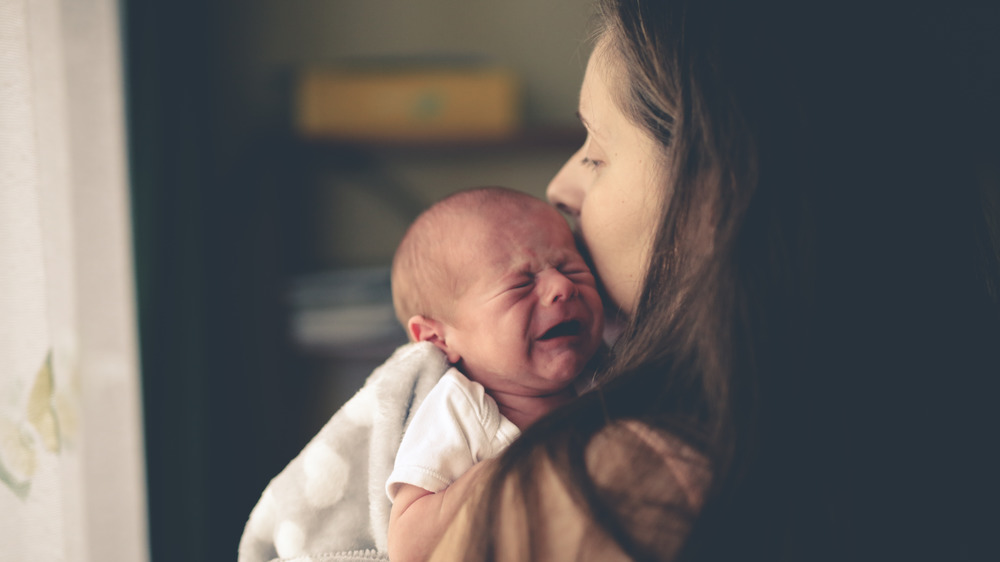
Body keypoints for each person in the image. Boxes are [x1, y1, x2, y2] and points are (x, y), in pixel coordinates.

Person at [415, 1, 1000, 561]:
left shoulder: (597, 493)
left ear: (715, 193)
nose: (558, 188)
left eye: (596, 152)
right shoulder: (943, 423)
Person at [385, 186, 605, 561]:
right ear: (438, 338)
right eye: (521, 283)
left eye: (571, 268)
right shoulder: (460, 410)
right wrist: (503, 472)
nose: (562, 287)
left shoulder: (607, 376)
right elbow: (408, 547)